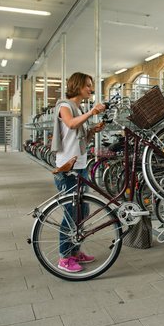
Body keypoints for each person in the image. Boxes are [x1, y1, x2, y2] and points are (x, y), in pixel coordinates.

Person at [51, 72, 106, 273]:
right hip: (68, 168)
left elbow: (78, 138)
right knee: (72, 212)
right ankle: (64, 258)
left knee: (83, 211)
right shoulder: (65, 105)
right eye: (88, 85)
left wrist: (93, 131)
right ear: (78, 86)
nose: (91, 89)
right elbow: (71, 124)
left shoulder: (79, 107)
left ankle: (75, 252)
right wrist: (91, 113)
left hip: (80, 164)